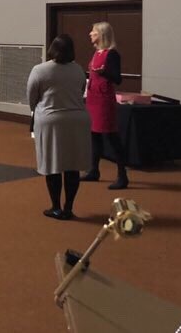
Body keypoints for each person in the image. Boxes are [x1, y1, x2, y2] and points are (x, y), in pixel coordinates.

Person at [27, 35, 92, 220]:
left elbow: (32, 97)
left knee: (53, 164)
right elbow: (80, 91)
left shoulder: (40, 70)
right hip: (78, 119)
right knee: (72, 166)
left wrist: (37, 111)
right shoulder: (78, 69)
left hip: (51, 120)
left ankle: (55, 206)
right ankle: (68, 207)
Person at [81, 22, 128, 190]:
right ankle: (94, 170)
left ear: (101, 35)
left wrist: (104, 72)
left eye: (93, 32)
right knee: (94, 135)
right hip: (93, 98)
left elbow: (117, 78)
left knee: (111, 137)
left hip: (104, 100)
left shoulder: (112, 54)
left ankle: (122, 175)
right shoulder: (96, 53)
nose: (90, 34)